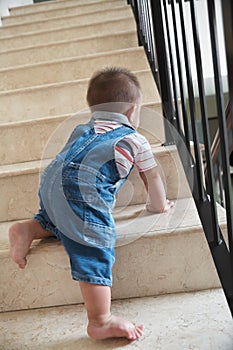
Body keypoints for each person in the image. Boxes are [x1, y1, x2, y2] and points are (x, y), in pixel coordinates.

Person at [9, 67, 174, 341]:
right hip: (82, 190)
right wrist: (158, 206)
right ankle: (100, 320)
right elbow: (152, 178)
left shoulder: (82, 128)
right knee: (93, 243)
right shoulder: (135, 139)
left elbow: (65, 170)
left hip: (51, 181)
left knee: (60, 217)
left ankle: (31, 227)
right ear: (133, 111)